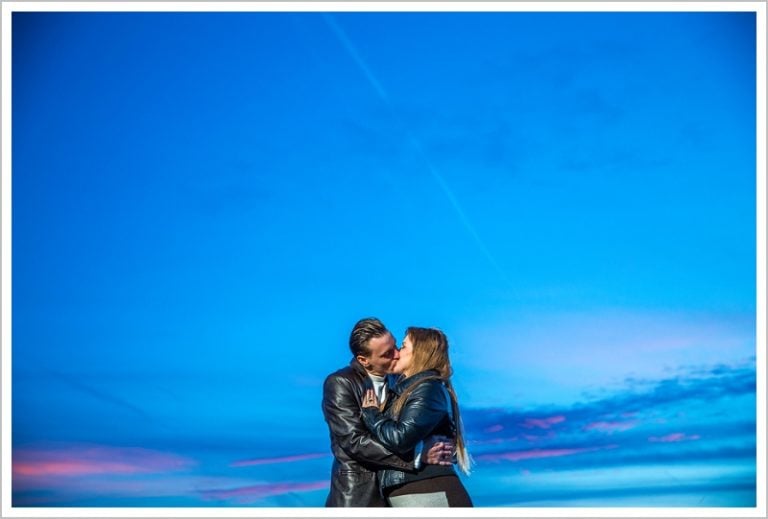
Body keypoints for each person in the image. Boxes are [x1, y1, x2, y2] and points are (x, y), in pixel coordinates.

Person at [322, 317, 454, 507]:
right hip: (359, 494)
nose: (396, 355)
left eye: (396, 346)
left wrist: (444, 448)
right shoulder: (341, 383)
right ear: (364, 360)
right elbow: (355, 441)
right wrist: (417, 456)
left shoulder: (403, 380)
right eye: (387, 354)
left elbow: (420, 424)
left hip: (403, 492)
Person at [361, 326, 473, 507]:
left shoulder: (428, 388)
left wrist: (372, 413)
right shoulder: (403, 390)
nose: (396, 353)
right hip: (415, 494)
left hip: (429, 493)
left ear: (419, 354)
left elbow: (400, 438)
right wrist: (420, 454)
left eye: (403, 347)